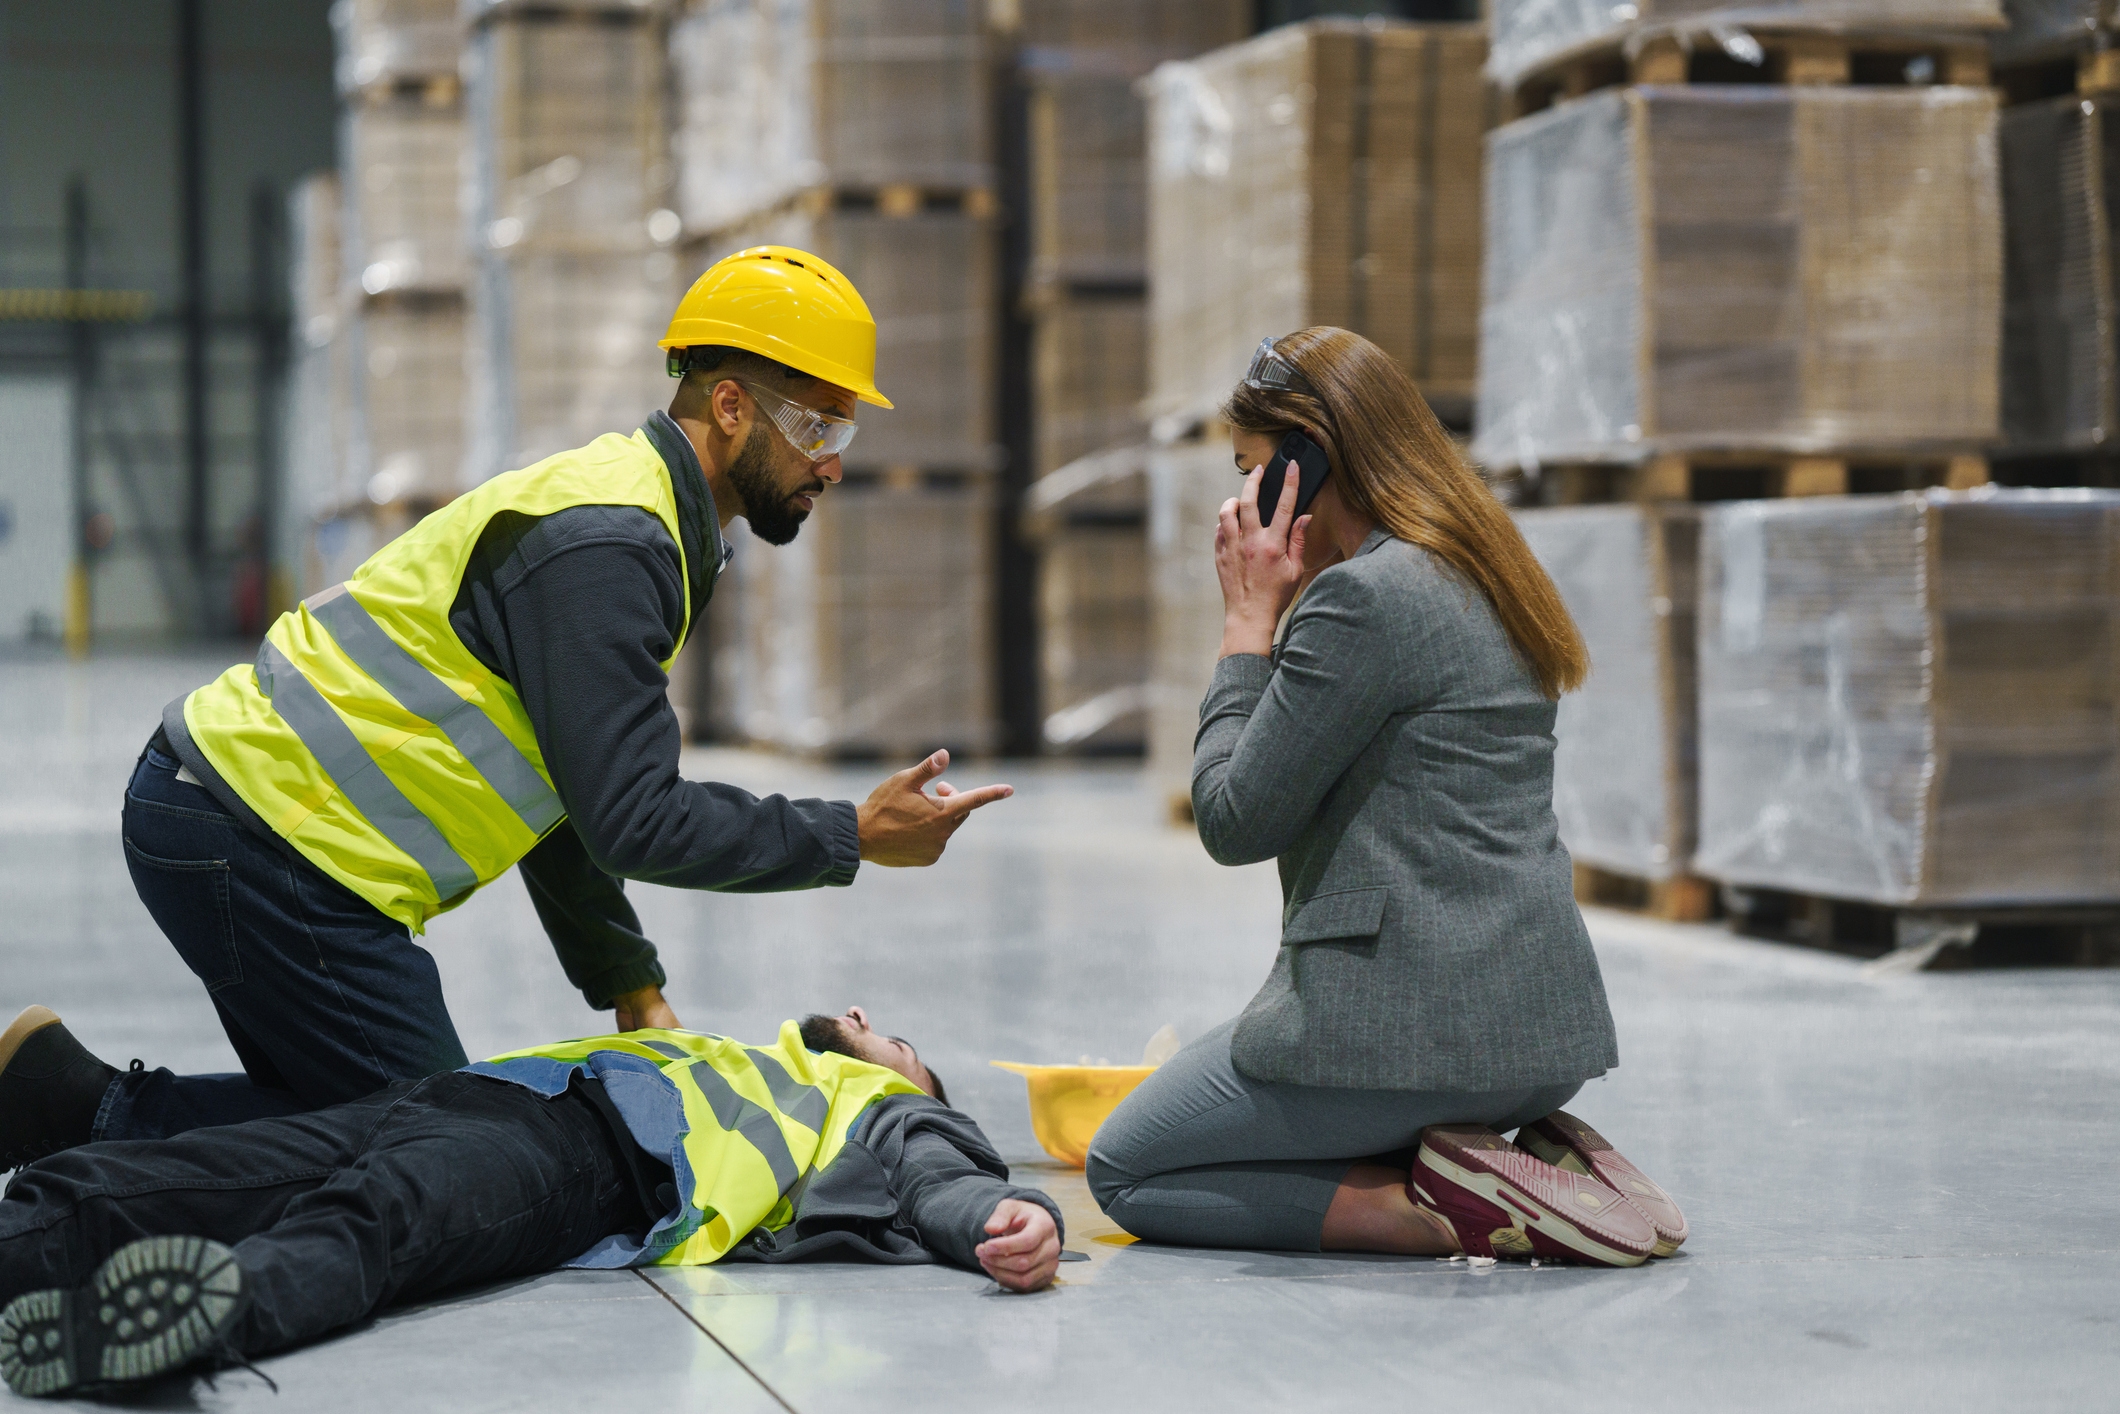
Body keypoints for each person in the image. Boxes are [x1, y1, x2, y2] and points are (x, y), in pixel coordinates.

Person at [1, 245, 1014, 1164]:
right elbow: (632, 819)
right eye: (816, 422)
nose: (832, 461)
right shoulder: (612, 544)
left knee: (355, 1117)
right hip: (259, 835)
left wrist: (628, 980)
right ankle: (77, 1119)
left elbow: (563, 789)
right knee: (430, 1148)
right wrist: (849, 834)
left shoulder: (653, 522)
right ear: (734, 407)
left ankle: (61, 1103)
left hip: (256, 825)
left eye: (843, 427)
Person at [1086, 328, 1687, 1268]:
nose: (1241, 503)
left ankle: (1435, 1205)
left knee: (1123, 1168)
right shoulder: (1489, 568)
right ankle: (1505, 1153)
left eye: (1253, 471)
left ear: (1307, 459)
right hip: (1540, 1026)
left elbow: (1234, 821)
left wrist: (1247, 626)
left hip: (1409, 1034)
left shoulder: (1361, 601)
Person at [0, 1005, 1063, 1399]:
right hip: (473, 1093)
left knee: (378, 1220)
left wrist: (997, 1218)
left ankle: (192, 1315)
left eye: (901, 1042)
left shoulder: (879, 1105)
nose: (873, 1025)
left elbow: (940, 1177)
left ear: (912, 1082)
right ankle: (30, 1239)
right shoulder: (747, 1051)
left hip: (581, 1152)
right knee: (182, 1173)